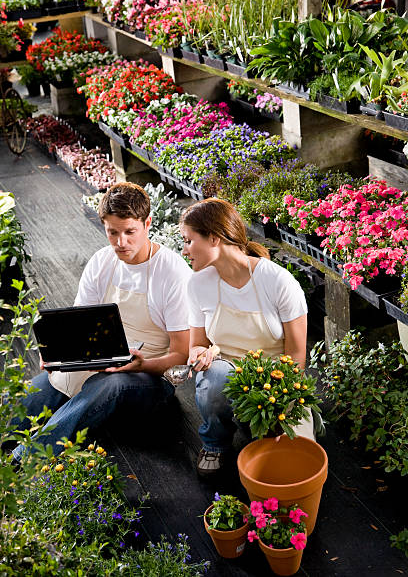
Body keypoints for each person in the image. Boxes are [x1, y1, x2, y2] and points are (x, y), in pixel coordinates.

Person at [12, 182, 191, 461]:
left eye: (130, 232)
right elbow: (77, 325)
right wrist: (58, 356)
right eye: (113, 232)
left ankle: (24, 459)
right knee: (34, 394)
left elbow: (182, 353)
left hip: (153, 376)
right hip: (103, 359)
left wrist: (142, 364)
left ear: (148, 224)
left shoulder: (172, 272)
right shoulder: (102, 262)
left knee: (107, 385)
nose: (121, 242)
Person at [180, 198, 311, 476]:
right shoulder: (197, 283)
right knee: (214, 378)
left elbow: (297, 354)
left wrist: (279, 401)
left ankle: (253, 426)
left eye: (189, 241)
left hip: (277, 382)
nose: (185, 250)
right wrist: (198, 355)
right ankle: (215, 444)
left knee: (287, 466)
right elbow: (198, 344)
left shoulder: (277, 281)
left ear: (214, 238)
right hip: (227, 374)